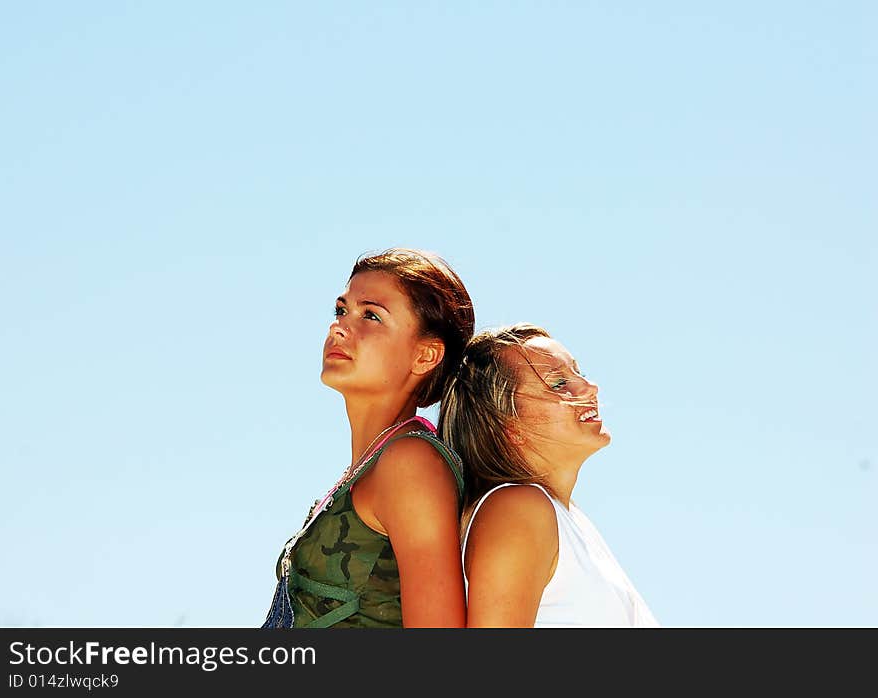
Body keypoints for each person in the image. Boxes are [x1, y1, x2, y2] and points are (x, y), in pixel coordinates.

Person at [262, 248, 474, 628]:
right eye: (341, 311)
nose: (338, 328)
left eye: (371, 316)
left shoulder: (410, 463)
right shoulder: (371, 467)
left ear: (426, 356)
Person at [438, 323, 659, 628]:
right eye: (558, 383)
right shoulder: (518, 510)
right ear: (508, 427)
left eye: (578, 372)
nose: (589, 387)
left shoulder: (570, 520)